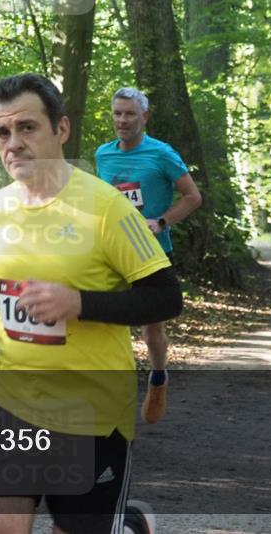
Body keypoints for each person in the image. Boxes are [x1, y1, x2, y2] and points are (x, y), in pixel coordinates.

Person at [0, 73, 183, 534]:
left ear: (62, 130)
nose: (13, 143)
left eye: (27, 127)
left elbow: (165, 296)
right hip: (10, 399)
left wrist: (79, 303)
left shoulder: (107, 207)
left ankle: (128, 524)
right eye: (2, 132)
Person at [94, 88, 202, 424]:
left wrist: (161, 221)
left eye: (128, 114)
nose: (122, 121)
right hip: (111, 248)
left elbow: (192, 197)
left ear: (145, 116)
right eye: (117, 114)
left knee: (150, 327)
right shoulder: (103, 155)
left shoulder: (162, 154)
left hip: (150, 250)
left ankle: (158, 376)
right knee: (104, 318)